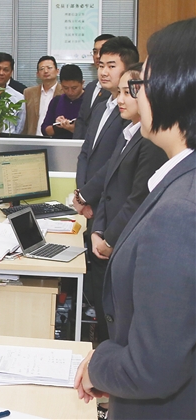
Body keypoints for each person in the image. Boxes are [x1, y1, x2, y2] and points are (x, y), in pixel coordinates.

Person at [74, 17, 196, 420]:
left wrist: (100, 365)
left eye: (142, 82)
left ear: (175, 89)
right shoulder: (180, 180)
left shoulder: (180, 211)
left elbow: (152, 366)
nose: (134, 93)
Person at [73, 63, 167, 345]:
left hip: (122, 243)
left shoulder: (150, 142)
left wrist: (109, 239)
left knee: (117, 325)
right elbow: (108, 187)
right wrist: (97, 230)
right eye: (119, 93)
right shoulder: (128, 132)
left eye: (128, 93)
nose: (120, 100)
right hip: (106, 238)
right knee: (105, 320)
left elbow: (138, 198)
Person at [74, 36, 139, 191]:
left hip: (111, 195)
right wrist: (81, 190)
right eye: (101, 66)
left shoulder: (132, 113)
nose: (103, 72)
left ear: (129, 70)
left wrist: (87, 194)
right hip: (87, 195)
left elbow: (116, 161)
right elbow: (85, 153)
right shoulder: (100, 108)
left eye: (111, 66)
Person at [74, 34, 115, 139]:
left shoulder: (117, 88)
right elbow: (81, 120)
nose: (97, 56)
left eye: (102, 51)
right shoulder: (90, 87)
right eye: (95, 52)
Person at [41, 64, 85, 138]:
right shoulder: (56, 101)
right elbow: (45, 130)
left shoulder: (90, 101)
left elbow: (94, 132)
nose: (70, 92)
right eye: (65, 88)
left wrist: (73, 128)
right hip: (58, 144)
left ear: (82, 83)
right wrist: (58, 127)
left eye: (74, 88)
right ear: (61, 85)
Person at [24, 56, 63, 135]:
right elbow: (24, 120)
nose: (45, 71)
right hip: (33, 137)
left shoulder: (64, 92)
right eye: (42, 69)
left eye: (49, 68)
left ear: (57, 71)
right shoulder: (28, 93)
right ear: (37, 74)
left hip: (55, 138)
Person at [0, 52, 26, 134]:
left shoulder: (19, 98)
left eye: (6, 70)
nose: (1, 73)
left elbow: (19, 127)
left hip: (9, 140)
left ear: (11, 72)